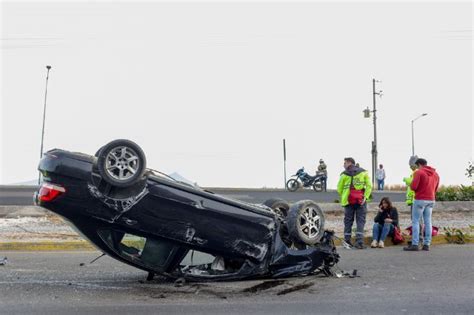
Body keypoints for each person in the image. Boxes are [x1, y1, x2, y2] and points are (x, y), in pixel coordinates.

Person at [404, 158, 440, 251]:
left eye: (417, 165)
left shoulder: (419, 172)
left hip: (420, 199)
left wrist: (411, 184)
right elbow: (436, 188)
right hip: (431, 200)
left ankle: (415, 244)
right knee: (428, 221)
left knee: (415, 221)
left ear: (419, 164)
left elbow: (413, 187)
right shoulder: (436, 174)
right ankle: (426, 244)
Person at [337, 157, 372, 249]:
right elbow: (369, 185)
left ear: (349, 163)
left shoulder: (344, 174)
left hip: (348, 201)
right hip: (361, 200)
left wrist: (345, 195)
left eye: (345, 163)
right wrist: (366, 196)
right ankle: (359, 242)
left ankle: (347, 241)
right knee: (360, 221)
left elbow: (339, 189)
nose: (343, 165)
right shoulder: (363, 172)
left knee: (348, 221)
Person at [403, 155, 421, 244]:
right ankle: (418, 237)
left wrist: (407, 180)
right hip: (414, 200)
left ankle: (416, 239)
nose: (410, 167)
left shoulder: (417, 172)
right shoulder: (415, 172)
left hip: (416, 200)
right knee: (417, 220)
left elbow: (414, 184)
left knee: (416, 221)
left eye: (411, 165)